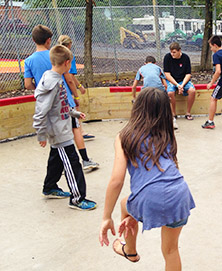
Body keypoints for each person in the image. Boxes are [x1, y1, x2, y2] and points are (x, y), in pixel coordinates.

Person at [99, 87, 195, 268]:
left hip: (150, 197)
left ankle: (130, 251)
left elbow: (116, 180)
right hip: (179, 194)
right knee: (171, 250)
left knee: (123, 205)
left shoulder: (124, 136)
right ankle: (132, 232)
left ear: (137, 109)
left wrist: (106, 217)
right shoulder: (167, 133)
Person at [33, 44, 97, 211]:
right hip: (58, 132)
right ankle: (77, 199)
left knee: (56, 160)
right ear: (67, 62)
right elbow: (41, 111)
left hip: (63, 126)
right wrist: (41, 135)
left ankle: (49, 187)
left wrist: (74, 113)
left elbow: (59, 104)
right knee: (72, 163)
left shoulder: (56, 78)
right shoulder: (51, 82)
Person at [58, 35, 99, 171]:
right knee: (75, 126)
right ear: (69, 44)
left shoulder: (53, 55)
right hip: (66, 97)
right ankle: (85, 159)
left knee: (61, 132)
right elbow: (69, 77)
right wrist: (77, 92)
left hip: (53, 100)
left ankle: (63, 165)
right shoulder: (68, 56)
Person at [163, 42, 196, 129]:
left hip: (183, 80)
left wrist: (182, 85)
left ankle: (188, 113)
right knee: (170, 93)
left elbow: (188, 74)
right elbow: (167, 74)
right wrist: (177, 85)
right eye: (171, 52)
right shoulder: (167, 57)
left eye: (174, 52)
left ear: (179, 51)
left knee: (192, 91)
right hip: (172, 81)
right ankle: (173, 114)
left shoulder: (185, 58)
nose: (172, 54)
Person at [24, 24, 52, 90]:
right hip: (60, 95)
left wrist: (39, 90)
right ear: (48, 40)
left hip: (44, 96)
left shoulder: (29, 61)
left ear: (33, 40)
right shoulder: (57, 55)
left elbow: (28, 84)